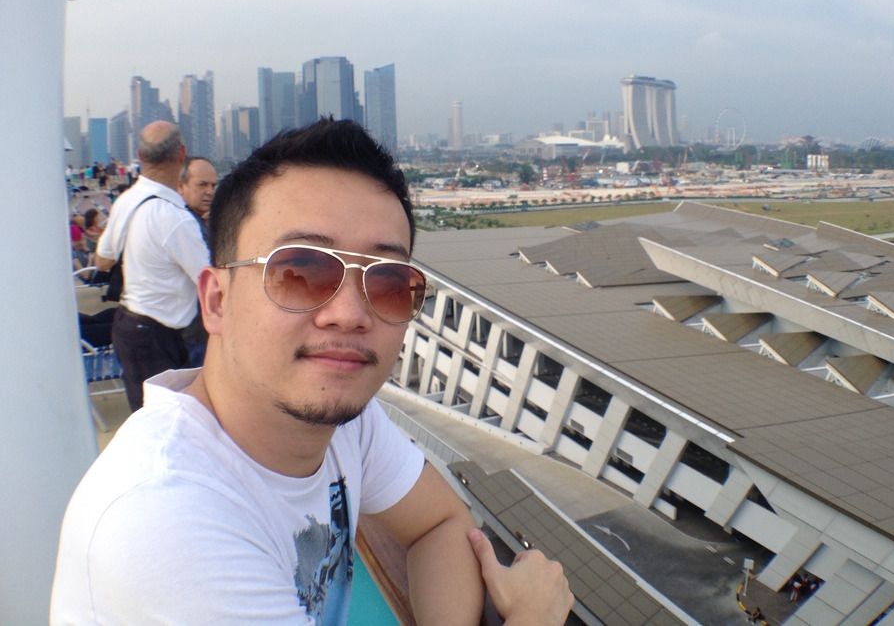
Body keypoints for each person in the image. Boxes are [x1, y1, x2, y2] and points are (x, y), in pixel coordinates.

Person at [51, 119, 573, 625]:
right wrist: (533, 615)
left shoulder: (344, 423)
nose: (350, 314)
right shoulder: (165, 520)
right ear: (216, 300)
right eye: (300, 271)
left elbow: (438, 522)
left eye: (388, 282)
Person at [93, 121, 209, 411]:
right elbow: (209, 282)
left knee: (147, 415)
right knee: (169, 417)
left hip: (129, 327)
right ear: (181, 154)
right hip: (160, 337)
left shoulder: (126, 202)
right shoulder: (175, 219)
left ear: (139, 155)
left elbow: (102, 260)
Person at [178, 155, 218, 365]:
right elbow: (208, 274)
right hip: (192, 331)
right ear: (180, 187)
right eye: (202, 185)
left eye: (213, 185)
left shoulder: (196, 221)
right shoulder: (184, 225)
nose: (210, 191)